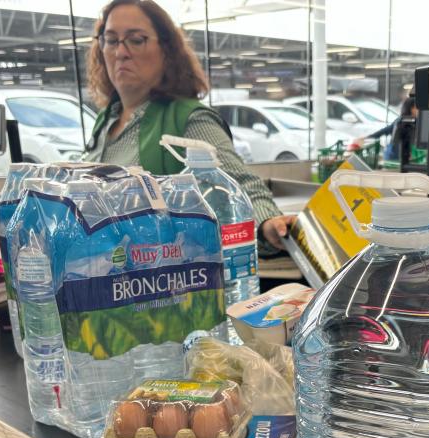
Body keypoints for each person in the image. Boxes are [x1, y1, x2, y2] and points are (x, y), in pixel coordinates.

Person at [83, 0, 293, 255]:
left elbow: (241, 186)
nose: (120, 52)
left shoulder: (187, 119)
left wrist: (267, 223)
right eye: (111, 40)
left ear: (166, 50)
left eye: (136, 40)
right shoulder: (105, 120)